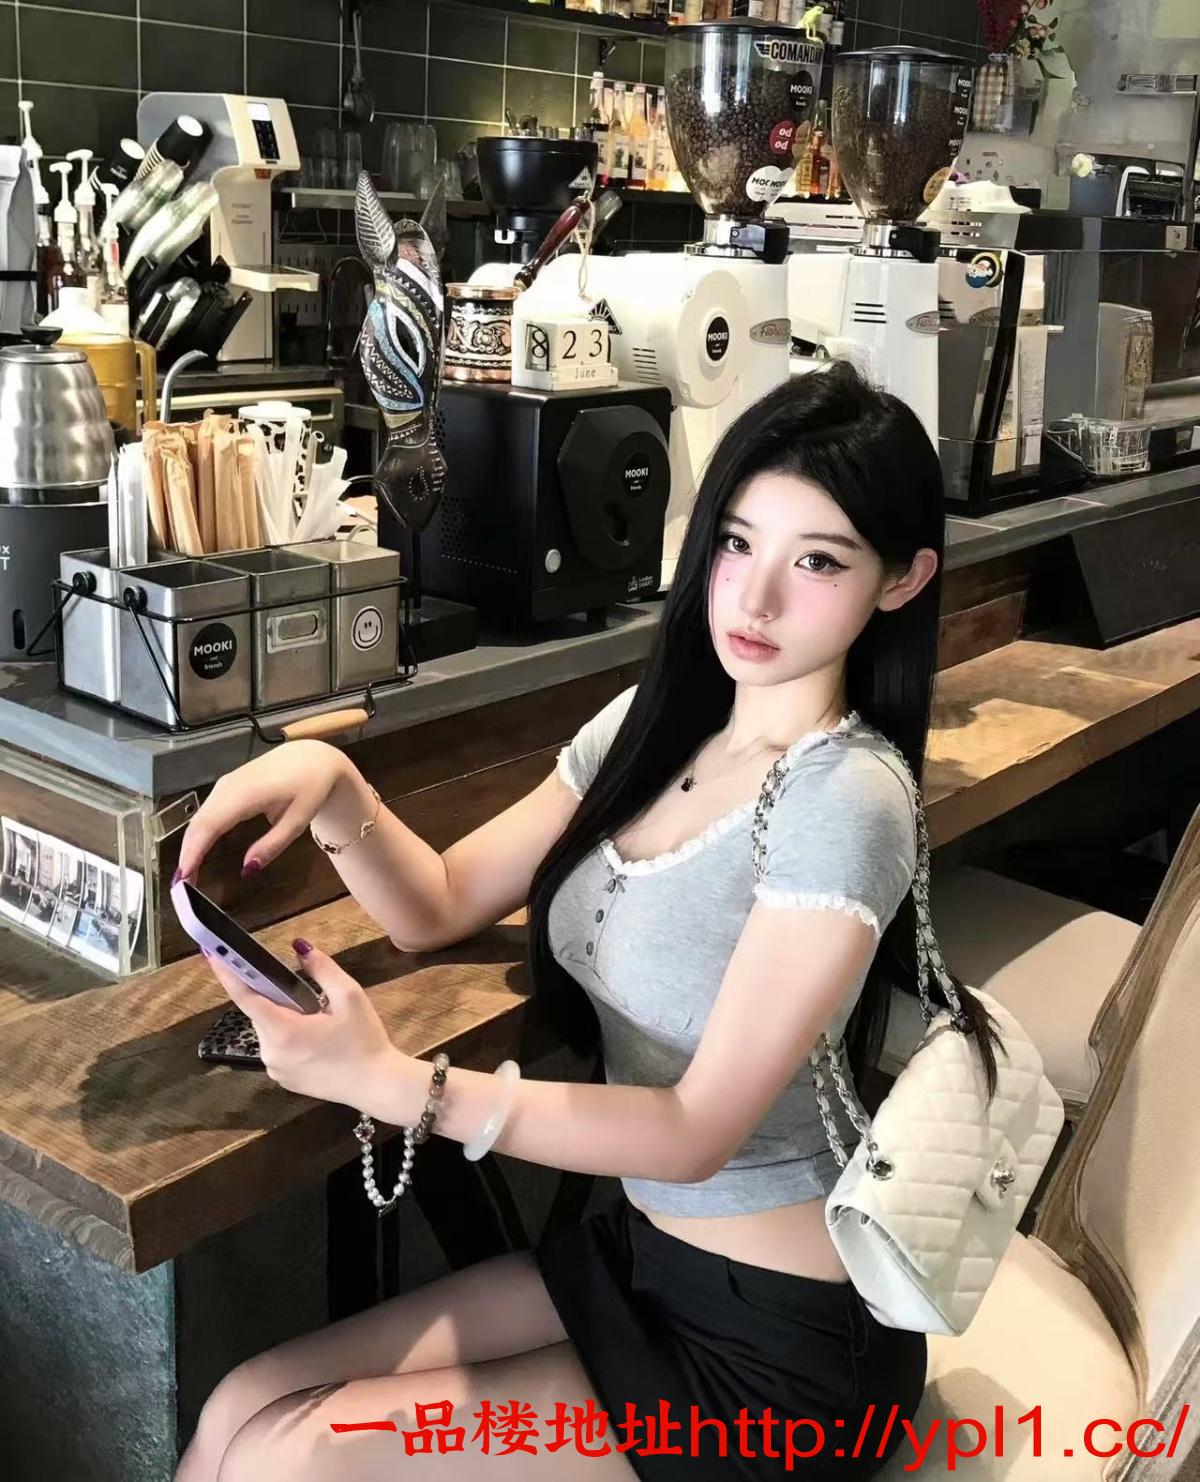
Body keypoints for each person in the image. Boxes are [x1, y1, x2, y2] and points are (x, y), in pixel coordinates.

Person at [173, 361, 1001, 1481]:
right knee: (242, 1403)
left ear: (900, 582)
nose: (755, 599)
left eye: (818, 561)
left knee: (302, 1455)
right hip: (642, 1256)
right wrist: (335, 786)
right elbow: (440, 902)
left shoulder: (846, 799)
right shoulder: (654, 727)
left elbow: (695, 1133)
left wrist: (396, 1084)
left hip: (781, 1351)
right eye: (737, 542)